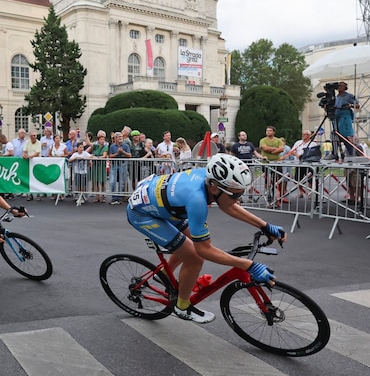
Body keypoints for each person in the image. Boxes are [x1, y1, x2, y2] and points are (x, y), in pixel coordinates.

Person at [126, 153, 286, 323]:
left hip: (163, 205)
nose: (238, 199)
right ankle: (182, 307)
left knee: (188, 245)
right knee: (195, 258)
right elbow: (204, 249)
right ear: (214, 188)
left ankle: (165, 275)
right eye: (234, 195)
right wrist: (248, 265)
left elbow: (229, 205)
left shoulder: (210, 179)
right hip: (142, 214)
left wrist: (265, 226)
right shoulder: (197, 200)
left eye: (241, 193)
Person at [334, 82, 360, 156]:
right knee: (335, 134)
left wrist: (350, 105)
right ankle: (336, 153)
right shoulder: (335, 97)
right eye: (338, 86)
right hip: (336, 116)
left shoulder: (349, 96)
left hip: (345, 116)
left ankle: (351, 152)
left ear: (345, 87)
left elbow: (357, 105)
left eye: (341, 86)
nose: (339, 87)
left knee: (345, 135)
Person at [108, 132, 131, 205]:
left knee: (122, 182)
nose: (121, 138)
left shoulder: (126, 146)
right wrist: (117, 153)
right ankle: (114, 197)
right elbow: (110, 156)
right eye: (119, 137)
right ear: (115, 138)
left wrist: (122, 152)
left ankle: (120, 198)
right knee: (112, 181)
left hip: (123, 164)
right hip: (114, 165)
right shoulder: (112, 146)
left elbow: (129, 155)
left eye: (121, 136)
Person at [90, 130, 109, 203]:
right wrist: (87, 136)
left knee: (103, 181)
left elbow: (104, 155)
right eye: (101, 139)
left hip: (102, 165)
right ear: (98, 140)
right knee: (96, 181)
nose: (102, 140)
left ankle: (103, 196)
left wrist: (96, 157)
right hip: (95, 165)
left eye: (103, 139)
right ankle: (97, 196)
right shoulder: (95, 146)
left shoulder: (105, 146)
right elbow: (89, 144)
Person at [23, 131, 42, 201]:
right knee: (29, 179)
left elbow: (37, 153)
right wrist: (24, 154)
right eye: (32, 136)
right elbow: (24, 150)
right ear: (30, 137)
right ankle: (30, 194)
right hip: (29, 163)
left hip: (37, 163)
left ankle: (38, 194)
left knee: (38, 179)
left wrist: (28, 156)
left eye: (35, 135)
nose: (34, 137)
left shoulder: (39, 143)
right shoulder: (27, 142)